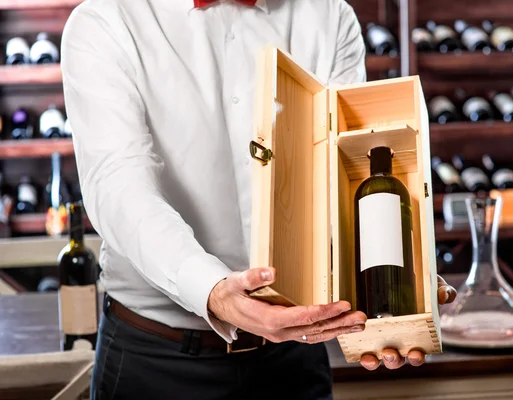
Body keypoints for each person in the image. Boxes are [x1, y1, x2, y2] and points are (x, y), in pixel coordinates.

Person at [61, 0, 457, 399]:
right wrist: (212, 289)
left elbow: (342, 173)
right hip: (155, 361)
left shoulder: (330, 15)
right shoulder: (105, 20)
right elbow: (119, 183)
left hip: (294, 360)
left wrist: (397, 278)